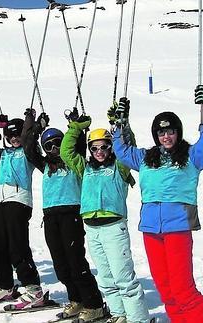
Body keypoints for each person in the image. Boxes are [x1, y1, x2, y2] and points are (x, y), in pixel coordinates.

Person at [111, 86, 203, 323]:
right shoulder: (147, 158)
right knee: (167, 291)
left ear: (177, 133)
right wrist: (120, 125)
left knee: (183, 290)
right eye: (161, 133)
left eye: (170, 131)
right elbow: (121, 150)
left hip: (178, 226)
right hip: (151, 229)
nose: (166, 137)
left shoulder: (191, 156)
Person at [60, 112, 152, 323]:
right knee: (106, 278)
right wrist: (75, 128)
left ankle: (138, 319)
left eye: (104, 147)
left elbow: (128, 149)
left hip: (113, 227)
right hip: (92, 228)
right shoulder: (85, 168)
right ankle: (119, 314)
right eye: (94, 148)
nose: (99, 151)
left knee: (123, 277)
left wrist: (121, 124)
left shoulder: (118, 167)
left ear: (111, 147)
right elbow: (66, 152)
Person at [22, 109, 104, 321]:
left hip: (71, 214)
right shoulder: (45, 165)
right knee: (60, 263)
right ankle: (76, 300)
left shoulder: (72, 161)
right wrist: (36, 127)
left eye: (57, 143)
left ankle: (94, 303)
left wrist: (74, 126)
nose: (54, 148)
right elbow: (29, 150)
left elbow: (75, 144)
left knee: (75, 260)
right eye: (48, 146)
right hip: (50, 217)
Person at [0, 113, 44, 309]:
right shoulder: (4, 154)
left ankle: (33, 287)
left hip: (19, 201)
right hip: (0, 200)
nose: (15, 139)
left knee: (17, 246)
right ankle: (3, 284)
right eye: (11, 135)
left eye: (18, 135)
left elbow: (30, 142)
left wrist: (32, 123)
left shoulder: (28, 152)